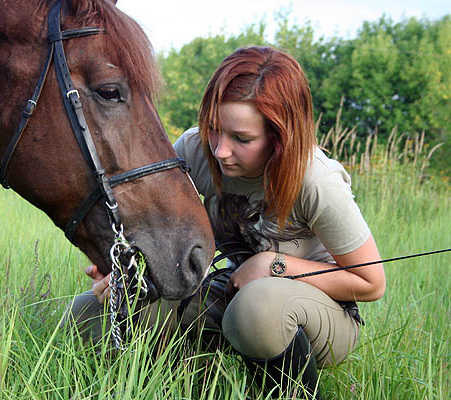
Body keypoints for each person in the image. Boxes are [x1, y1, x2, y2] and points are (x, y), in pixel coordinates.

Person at [68, 46, 386, 399]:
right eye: (214, 130)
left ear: (280, 138)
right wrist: (124, 268)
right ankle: (198, 386)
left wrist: (273, 264)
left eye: (242, 139)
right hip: (230, 292)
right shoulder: (195, 149)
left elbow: (370, 283)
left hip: (321, 312)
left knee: (258, 306)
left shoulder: (314, 179)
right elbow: (155, 228)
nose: (220, 150)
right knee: (87, 313)